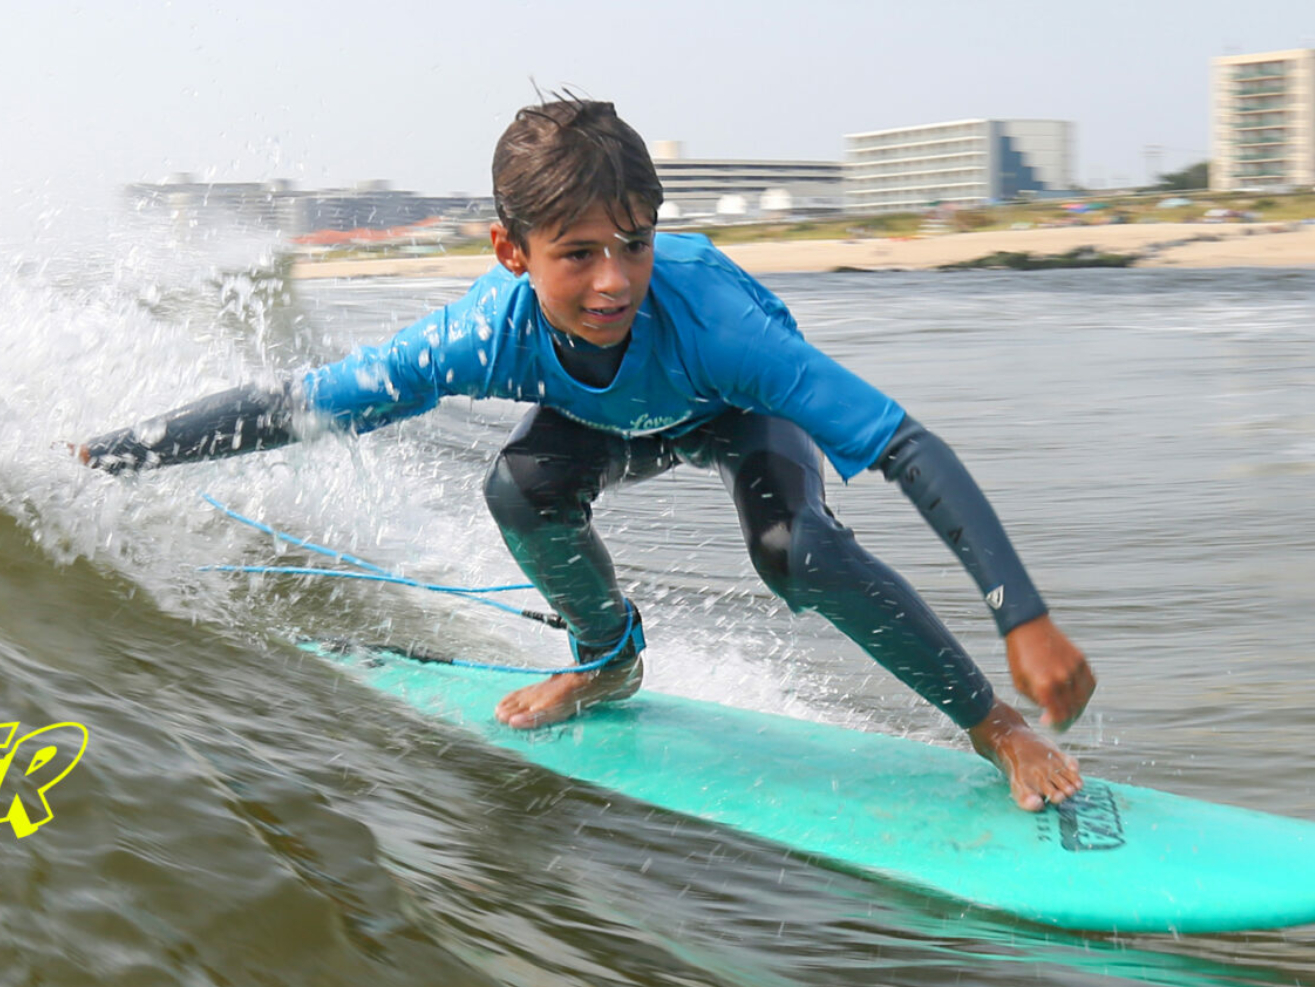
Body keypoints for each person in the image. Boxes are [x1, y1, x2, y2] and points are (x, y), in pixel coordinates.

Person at [70, 98, 1095, 811]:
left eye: (635, 243)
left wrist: (1027, 614)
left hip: (726, 407)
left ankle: (994, 726)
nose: (615, 281)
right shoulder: (480, 334)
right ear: (512, 251)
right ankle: (607, 663)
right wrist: (119, 452)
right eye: (578, 255)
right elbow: (300, 404)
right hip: (607, 420)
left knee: (799, 550)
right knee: (518, 489)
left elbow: (905, 444)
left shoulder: (718, 325)